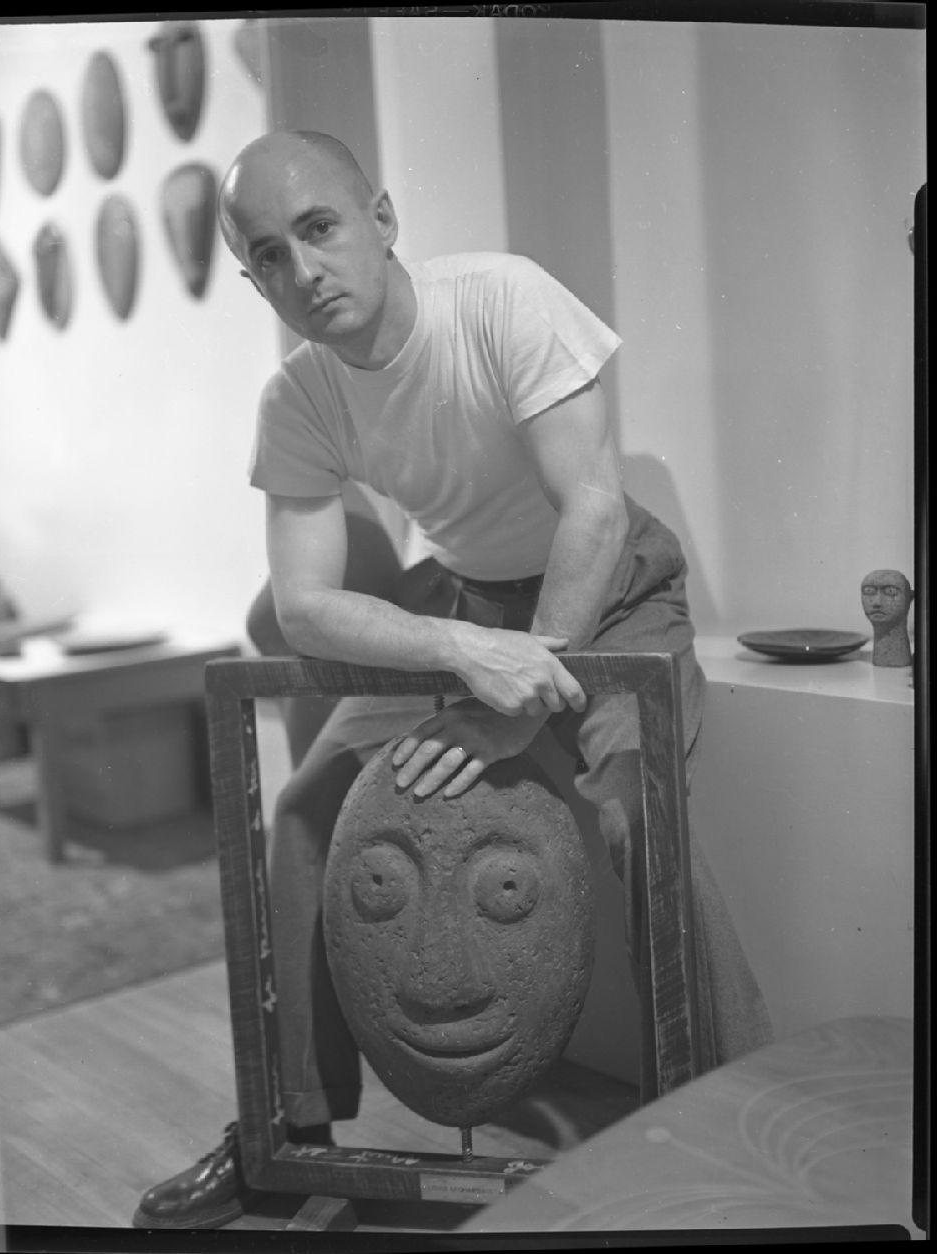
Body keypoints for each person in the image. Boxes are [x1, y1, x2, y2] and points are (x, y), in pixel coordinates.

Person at [133, 129, 773, 1230]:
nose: (303, 271)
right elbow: (303, 605)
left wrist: (510, 704)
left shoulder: (502, 300)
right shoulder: (297, 399)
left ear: (383, 220)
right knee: (303, 815)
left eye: (320, 229)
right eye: (269, 256)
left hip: (610, 590)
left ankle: (731, 1124)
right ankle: (287, 1132)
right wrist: (462, 653)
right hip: (463, 607)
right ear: (252, 277)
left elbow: (592, 510)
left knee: (635, 814)